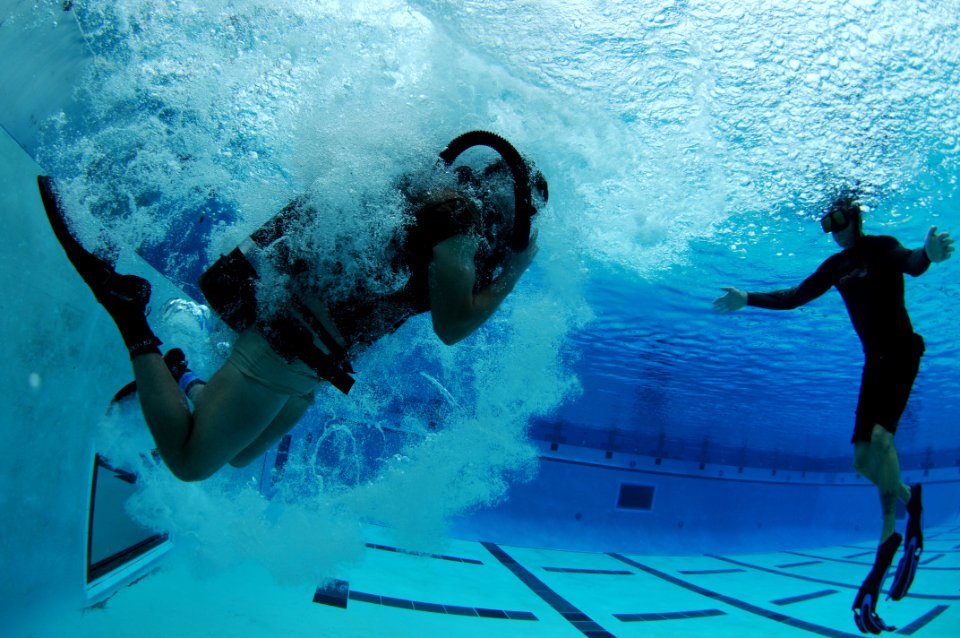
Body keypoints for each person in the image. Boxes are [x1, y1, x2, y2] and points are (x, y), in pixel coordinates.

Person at [39, 131, 546, 483]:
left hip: (313, 366)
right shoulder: (460, 218)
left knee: (241, 458)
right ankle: (129, 313)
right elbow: (453, 326)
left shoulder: (452, 214)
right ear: (508, 198)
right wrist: (517, 271)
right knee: (192, 462)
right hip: (287, 350)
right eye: (522, 211)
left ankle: (183, 375)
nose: (515, 226)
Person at [713, 192, 953, 632]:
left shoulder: (880, 246)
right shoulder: (835, 267)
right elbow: (795, 296)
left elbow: (911, 261)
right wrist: (747, 297)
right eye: (826, 224)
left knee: (881, 442)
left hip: (902, 352)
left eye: (838, 219)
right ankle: (910, 502)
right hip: (875, 362)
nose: (833, 230)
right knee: (862, 460)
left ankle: (891, 537)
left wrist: (930, 255)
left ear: (855, 216)